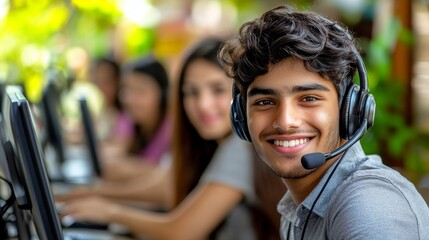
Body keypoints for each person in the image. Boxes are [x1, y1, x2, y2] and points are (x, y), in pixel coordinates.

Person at [218, 5, 429, 240]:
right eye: (265, 102)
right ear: (241, 115)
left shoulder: (368, 204)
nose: (285, 122)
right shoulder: (298, 209)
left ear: (348, 109)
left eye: (309, 99)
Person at [59, 37, 284, 240]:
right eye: (191, 93)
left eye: (217, 90)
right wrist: (93, 195)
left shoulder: (239, 146)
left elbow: (181, 231)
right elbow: (165, 186)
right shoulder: (211, 145)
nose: (203, 105)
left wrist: (109, 211)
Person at [100, 55, 172, 181]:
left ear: (163, 95)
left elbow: (166, 174)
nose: (128, 99)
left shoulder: (172, 128)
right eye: (125, 89)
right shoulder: (134, 123)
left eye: (140, 91)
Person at [88, 56, 133, 147]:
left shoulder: (128, 115)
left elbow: (121, 146)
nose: (101, 88)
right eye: (97, 81)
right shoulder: (104, 110)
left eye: (106, 82)